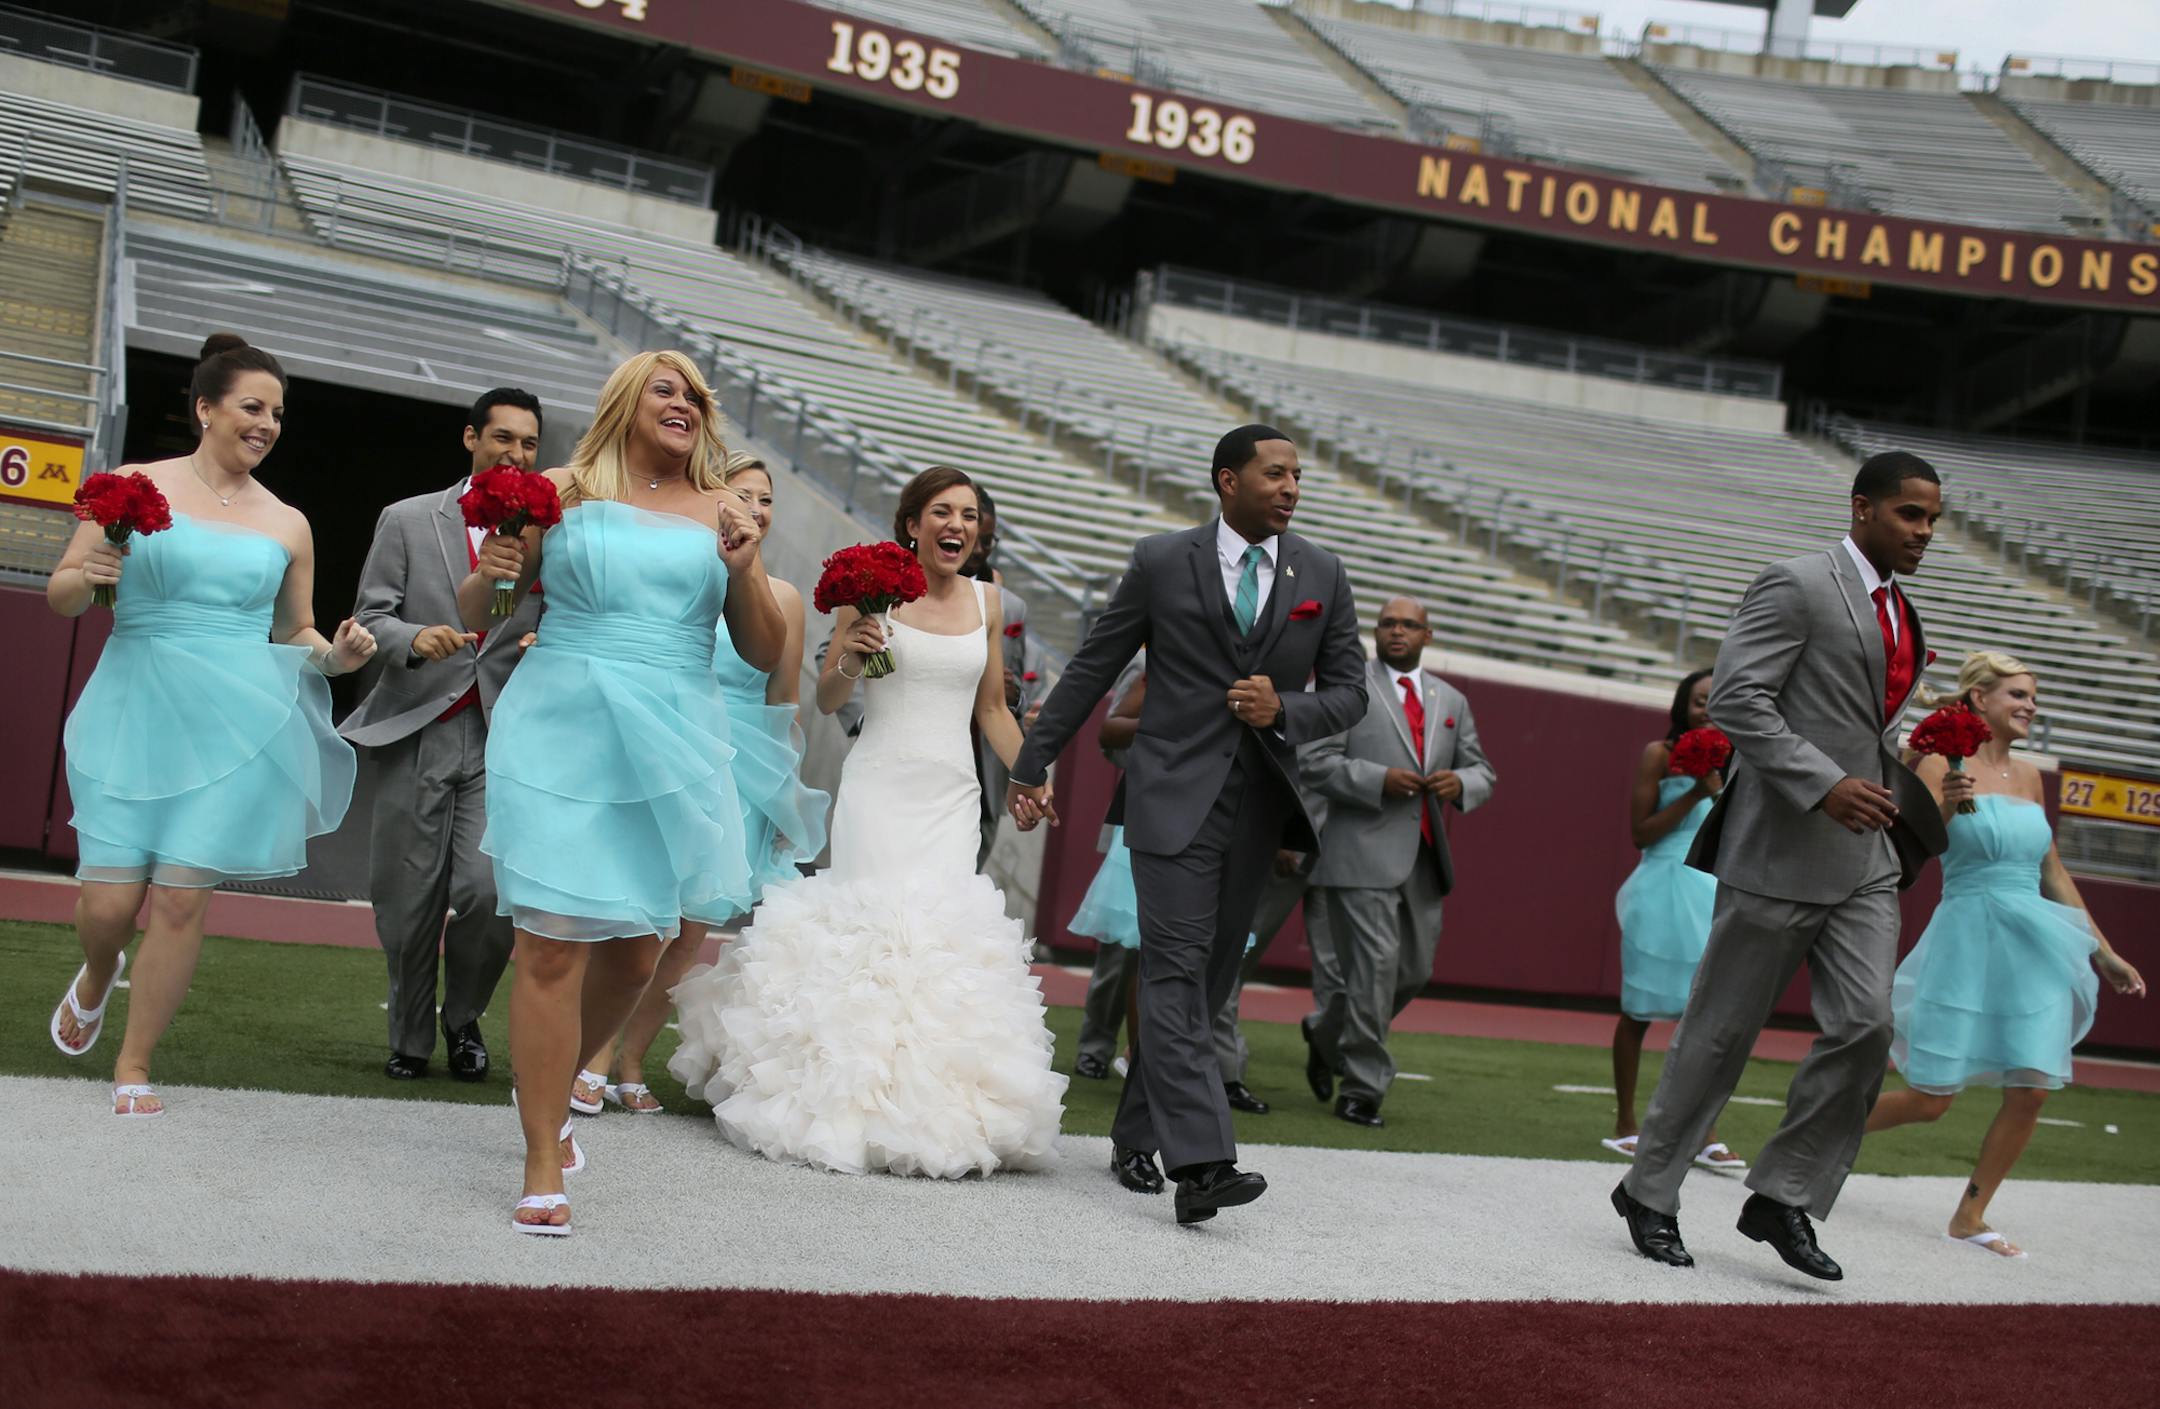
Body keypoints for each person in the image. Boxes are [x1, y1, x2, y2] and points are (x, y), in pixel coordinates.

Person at [1008, 424, 1367, 1224]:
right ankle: (1203, 1163)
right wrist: (1032, 761)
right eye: (1275, 473)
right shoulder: (1161, 560)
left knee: (1204, 985)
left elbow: (1350, 693)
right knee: (1171, 968)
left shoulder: (1325, 572)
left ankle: (1136, 1134)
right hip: (1170, 797)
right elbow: (1095, 666)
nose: (1291, 487)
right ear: (1225, 480)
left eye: (1298, 476)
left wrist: (1289, 708)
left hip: (1261, 806)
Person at [670, 465, 1067, 1179]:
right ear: (912, 523)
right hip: (879, 785)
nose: (958, 525)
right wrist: (850, 655)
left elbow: (993, 710)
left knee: (938, 939)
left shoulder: (988, 599)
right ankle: (843, 1095)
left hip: (952, 793)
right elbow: (827, 698)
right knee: (872, 934)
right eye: (943, 511)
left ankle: (933, 1103)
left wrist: (1030, 776)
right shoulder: (868, 588)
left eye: (970, 515)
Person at [1613, 451, 1950, 1282]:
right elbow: (1735, 699)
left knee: (1868, 1025)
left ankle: (1783, 1193)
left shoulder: (1901, 611)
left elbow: (1860, 722)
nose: (1925, 532)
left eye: (1934, 519)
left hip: (1865, 856)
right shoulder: (1798, 582)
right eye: (1911, 514)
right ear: (1863, 506)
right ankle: (1648, 1190)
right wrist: (1824, 782)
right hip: (1777, 847)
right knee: (1720, 1033)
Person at [469, 350, 782, 1236]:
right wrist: (495, 568)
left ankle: (565, 1078)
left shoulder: (725, 511)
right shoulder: (558, 490)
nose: (684, 403)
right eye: (666, 388)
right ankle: (540, 1157)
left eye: (695, 395)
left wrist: (750, 566)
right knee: (551, 946)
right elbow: (488, 605)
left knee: (640, 952)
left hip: (674, 732)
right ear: (626, 401)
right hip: (563, 721)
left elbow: (760, 650)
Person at [46, 333, 375, 1117]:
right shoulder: (129, 485)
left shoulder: (289, 523)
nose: (266, 424)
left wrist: (337, 657)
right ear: (205, 408)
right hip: (134, 706)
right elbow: (63, 591)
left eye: (278, 414)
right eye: (252, 407)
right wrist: (87, 578)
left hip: (235, 724)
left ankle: (134, 1062)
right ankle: (97, 972)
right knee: (107, 905)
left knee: (183, 898)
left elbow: (293, 631)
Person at [1864, 651, 2145, 1257]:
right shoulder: (1936, 761)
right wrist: (1943, 801)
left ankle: (1970, 1215)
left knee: (2033, 1087)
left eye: (2033, 698)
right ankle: (1819, 1136)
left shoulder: (2030, 777)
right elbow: (1911, 848)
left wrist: (2104, 951)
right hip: (1968, 933)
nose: (2029, 707)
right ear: (1978, 699)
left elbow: (2052, 869)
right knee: (1931, 1101)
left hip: (2036, 943)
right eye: (2017, 695)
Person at [578, 449, 830, 1115]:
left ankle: (633, 1059)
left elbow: (786, 701)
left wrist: (784, 792)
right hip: (677, 753)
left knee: (689, 933)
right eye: (741, 493)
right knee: (642, 914)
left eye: (766, 498)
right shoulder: (682, 576)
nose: (755, 507)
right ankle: (592, 1055)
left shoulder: (784, 599)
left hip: (746, 773)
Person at [343, 388, 546, 1083]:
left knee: (491, 892)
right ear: (470, 438)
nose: (515, 454)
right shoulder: (406, 519)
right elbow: (371, 617)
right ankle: (408, 1032)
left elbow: (557, 618)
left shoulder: (547, 533)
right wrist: (411, 638)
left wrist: (543, 646)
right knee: (407, 896)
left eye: (528, 443)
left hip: (502, 734)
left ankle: (462, 1017)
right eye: (503, 438)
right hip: (417, 723)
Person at [1299, 596, 1494, 1128]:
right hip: (1359, 850)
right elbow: (1315, 762)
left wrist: (1461, 783)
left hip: (1425, 859)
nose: (1397, 631)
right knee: (1376, 968)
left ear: (1428, 635)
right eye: (1387, 623)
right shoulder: (1347, 687)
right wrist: (1377, 780)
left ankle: (1325, 1030)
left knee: (1413, 972)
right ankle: (1363, 1086)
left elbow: (1481, 769)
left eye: (1409, 624)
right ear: (1376, 632)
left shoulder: (1450, 698)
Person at [1605, 669, 1744, 1172]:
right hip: (1660, 885)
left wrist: (1719, 785)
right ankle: (1625, 1123)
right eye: (1700, 700)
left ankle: (1703, 1132)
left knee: (1707, 1017)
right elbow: (1641, 833)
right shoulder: (1658, 755)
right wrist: (1694, 789)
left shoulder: (1739, 757)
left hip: (1711, 888)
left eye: (1716, 699)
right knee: (1638, 1008)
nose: (1708, 708)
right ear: (1683, 704)